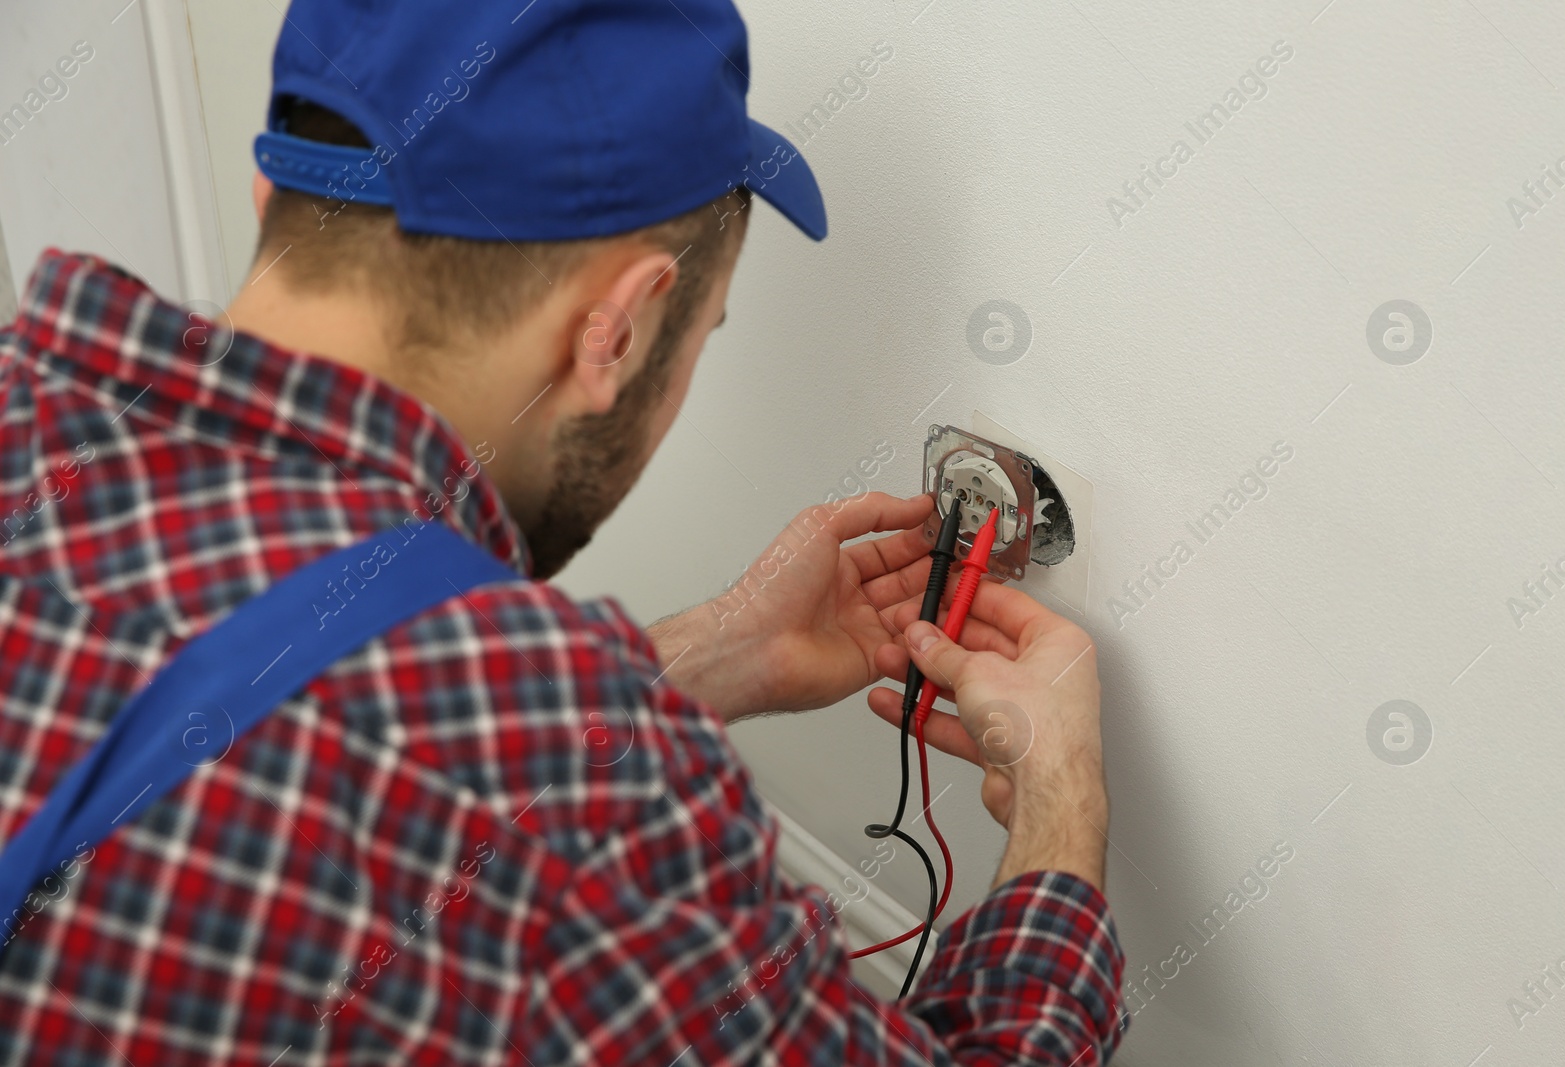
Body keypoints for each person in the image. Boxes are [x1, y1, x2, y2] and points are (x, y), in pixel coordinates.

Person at [0, 0, 1124, 1062]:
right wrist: (1058, 800)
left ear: (268, 195)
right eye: (704, 334)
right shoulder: (574, 813)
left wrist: (695, 657)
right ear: (618, 328)